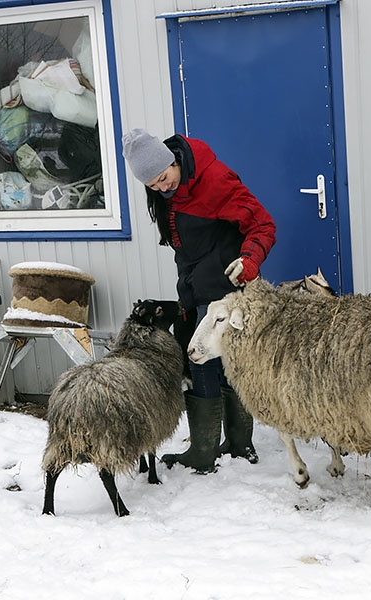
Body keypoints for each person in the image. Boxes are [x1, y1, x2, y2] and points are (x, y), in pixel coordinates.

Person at [122, 128, 276, 473]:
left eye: (164, 178)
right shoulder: (169, 190)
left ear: (174, 161)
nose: (162, 188)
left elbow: (263, 225)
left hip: (224, 286)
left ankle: (209, 451)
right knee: (208, 362)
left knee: (203, 360)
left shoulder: (215, 180)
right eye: (153, 186)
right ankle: (234, 444)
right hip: (194, 283)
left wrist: (249, 261)